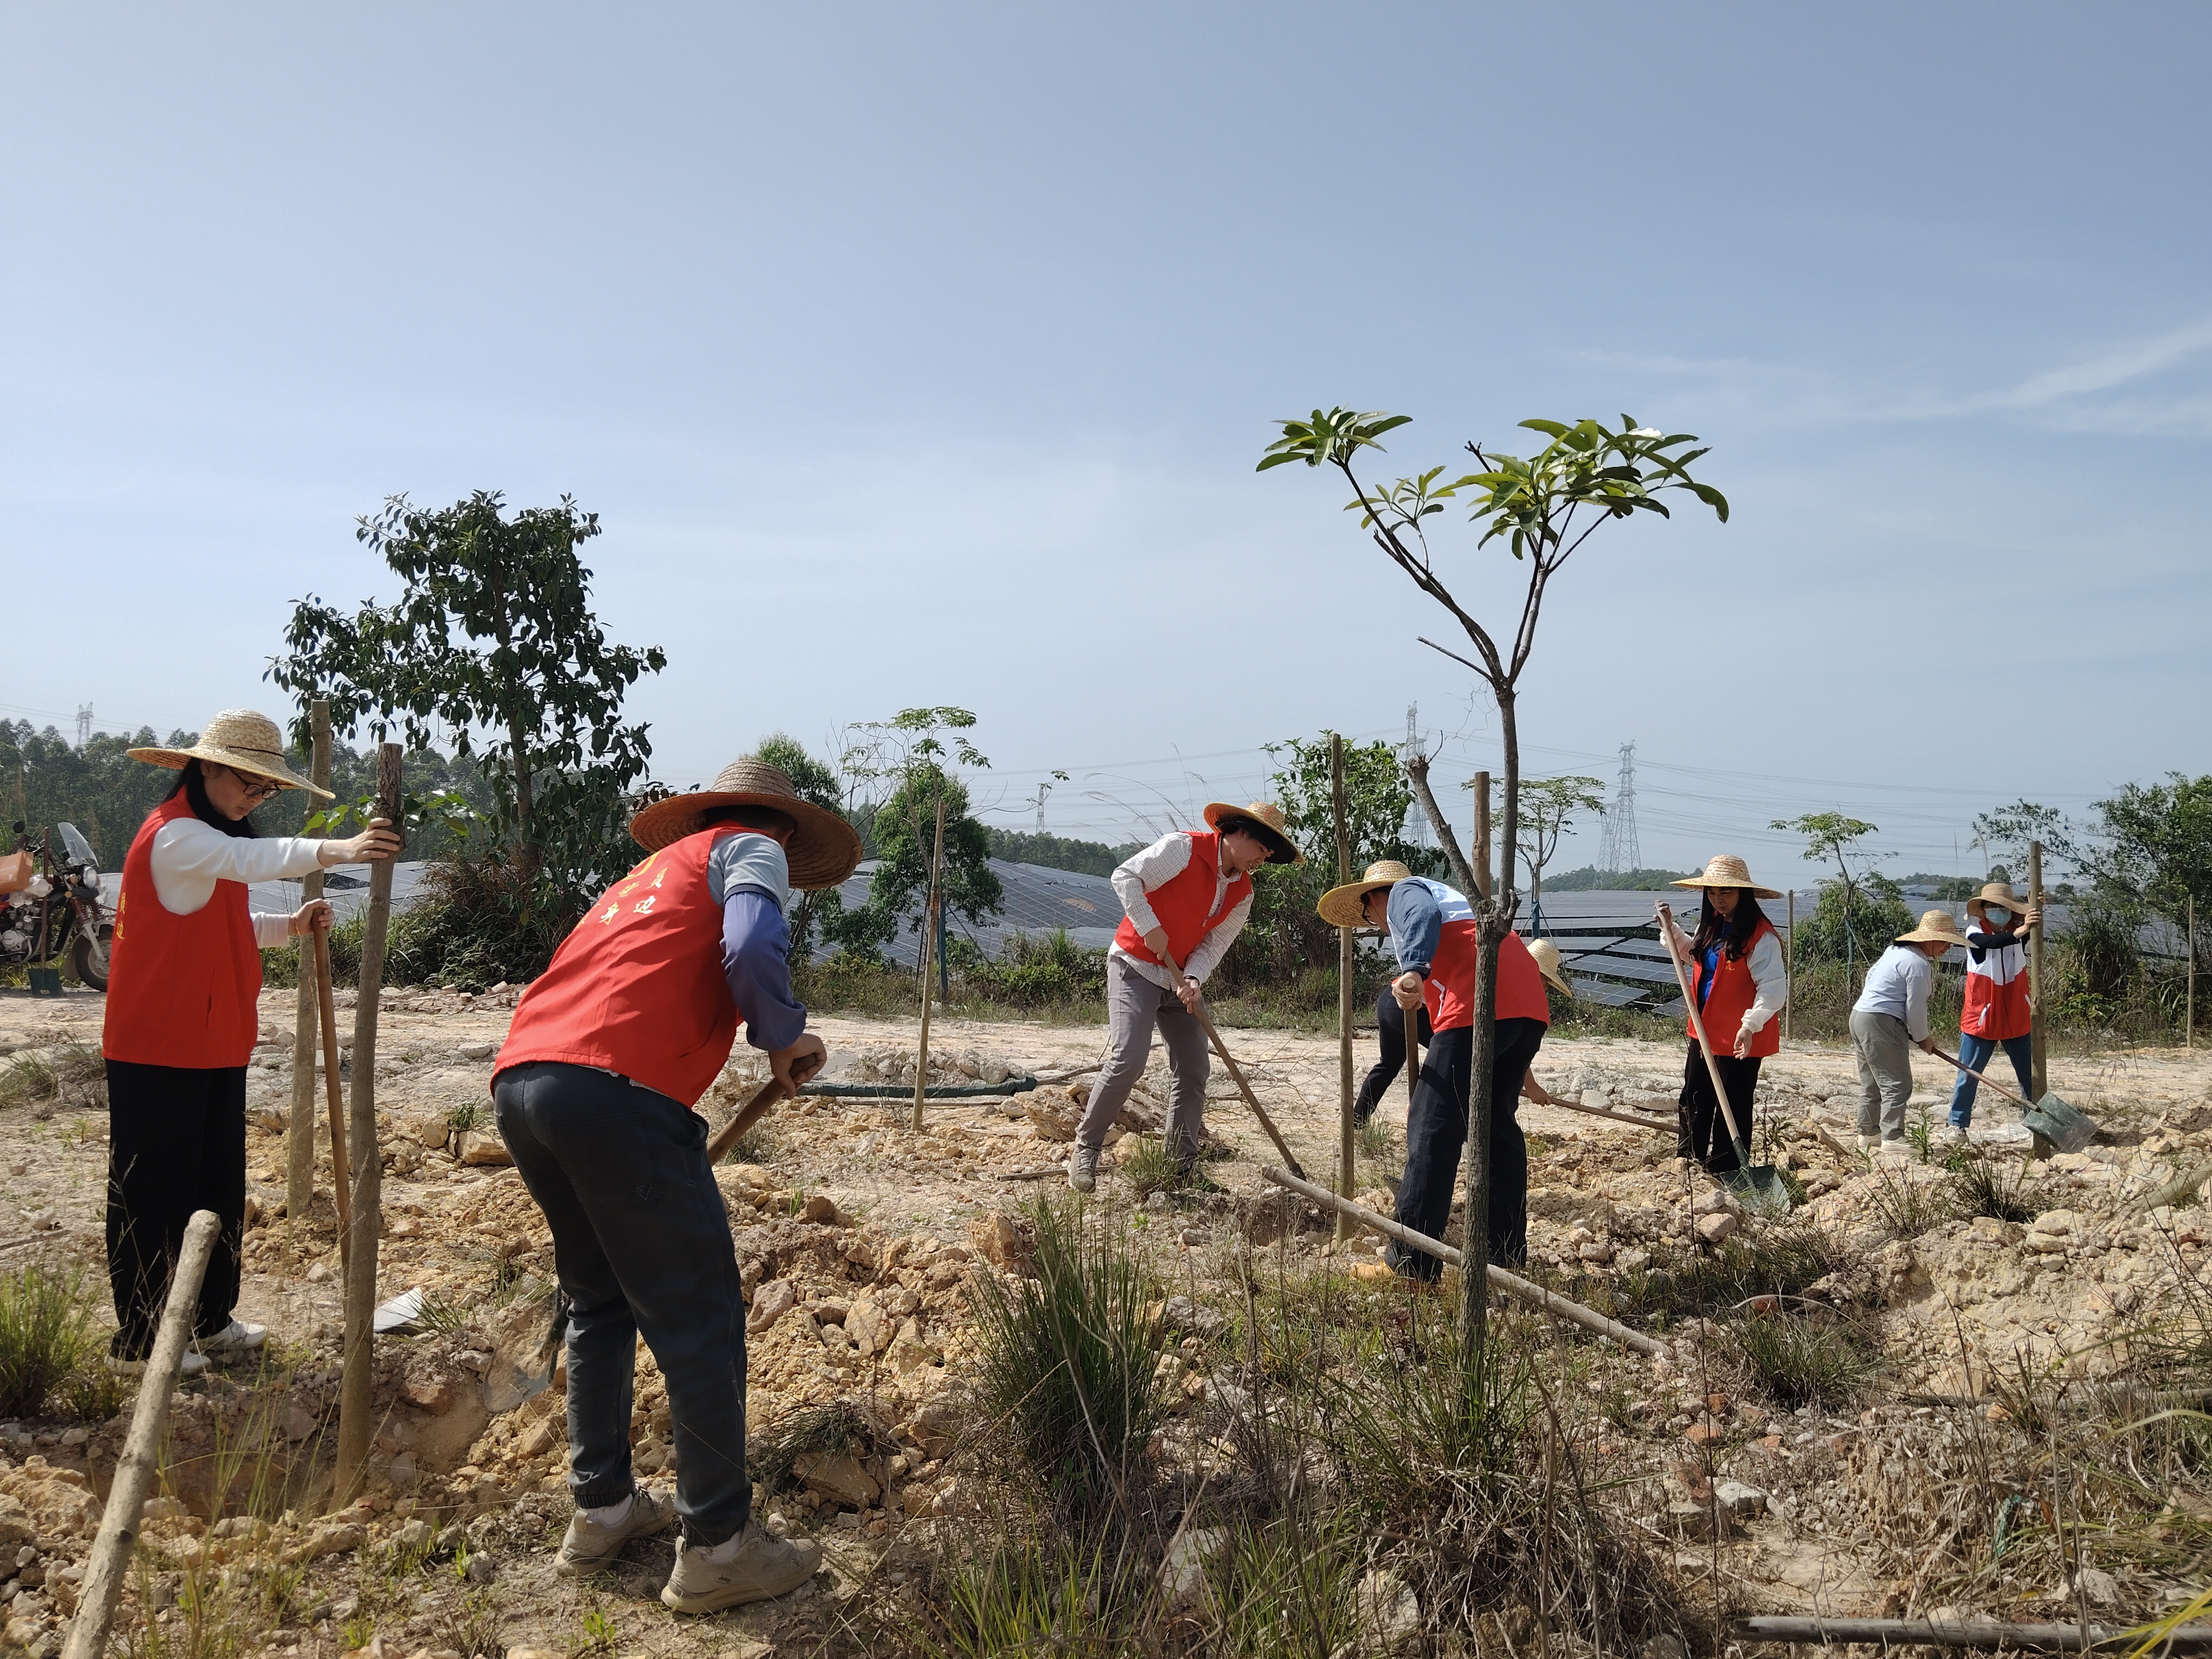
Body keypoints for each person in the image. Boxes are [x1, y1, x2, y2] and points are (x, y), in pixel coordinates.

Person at [491, 759, 861, 1613]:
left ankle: (603, 1510)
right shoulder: (751, 849)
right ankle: (720, 1547)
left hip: (525, 1081)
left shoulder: (649, 875)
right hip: (617, 1093)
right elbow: (752, 943)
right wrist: (782, 1037)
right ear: (784, 830)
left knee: (600, 1302)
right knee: (699, 1317)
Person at [102, 710, 399, 1376]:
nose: (254, 800)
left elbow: (228, 920)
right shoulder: (176, 836)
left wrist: (289, 926)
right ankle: (142, 1340)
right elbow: (250, 860)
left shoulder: (204, 844)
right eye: (249, 785)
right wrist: (341, 848)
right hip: (156, 1047)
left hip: (213, 1043)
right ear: (206, 768)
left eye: (266, 792)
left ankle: (208, 1320)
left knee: (216, 1187)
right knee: (155, 1195)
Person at [1317, 860, 1559, 1277]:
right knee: (1495, 1131)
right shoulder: (1456, 905)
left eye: (1368, 916)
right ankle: (1503, 1259)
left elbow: (1420, 918)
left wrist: (1412, 968)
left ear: (1374, 897)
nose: (1375, 924)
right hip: (1528, 1007)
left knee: (1432, 1127)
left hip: (1482, 1000)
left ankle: (1411, 1264)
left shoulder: (1404, 892)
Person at [1067, 802, 1301, 1193]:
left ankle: (1181, 1165)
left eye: (1270, 854)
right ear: (1240, 833)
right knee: (1129, 1057)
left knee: (1194, 1067)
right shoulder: (1183, 849)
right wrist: (1150, 927)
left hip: (1179, 981)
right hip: (1135, 964)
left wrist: (1193, 977)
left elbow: (1213, 945)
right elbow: (1125, 877)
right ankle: (1087, 1147)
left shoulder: (1243, 893)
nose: (1265, 857)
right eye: (1263, 848)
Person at [1656, 856, 1789, 1174]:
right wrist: (1671, 928)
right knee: (1695, 1096)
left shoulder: (1761, 937)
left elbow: (1772, 988)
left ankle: (1727, 1169)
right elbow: (1693, 954)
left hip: (1741, 1035)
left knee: (1733, 1103)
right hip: (1704, 1030)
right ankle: (1689, 1162)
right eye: (1713, 893)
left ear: (1743, 894)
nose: (1718, 899)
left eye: (1726, 893)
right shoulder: (1713, 925)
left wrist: (1751, 1024)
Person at [1850, 910, 1971, 1156]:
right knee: (1897, 1083)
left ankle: (1868, 1133)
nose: (1948, 947)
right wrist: (1922, 1037)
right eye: (1945, 941)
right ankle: (1893, 1137)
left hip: (1860, 1015)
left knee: (1873, 1081)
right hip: (1882, 1020)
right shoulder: (1918, 964)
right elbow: (1915, 1007)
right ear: (1928, 939)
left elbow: (1870, 977)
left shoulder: (1894, 952)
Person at [1950, 881, 2041, 1139]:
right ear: (1983, 909)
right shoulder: (1974, 931)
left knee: (2030, 1075)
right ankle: (1958, 1124)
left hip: (2016, 1012)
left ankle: (2034, 1122)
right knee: (1969, 1073)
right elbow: (1991, 944)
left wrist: (2037, 906)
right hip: (1982, 1016)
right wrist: (2021, 930)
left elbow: (2031, 924)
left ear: (2011, 910)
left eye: (2001, 907)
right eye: (1990, 907)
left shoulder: (2020, 929)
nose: (1995, 911)